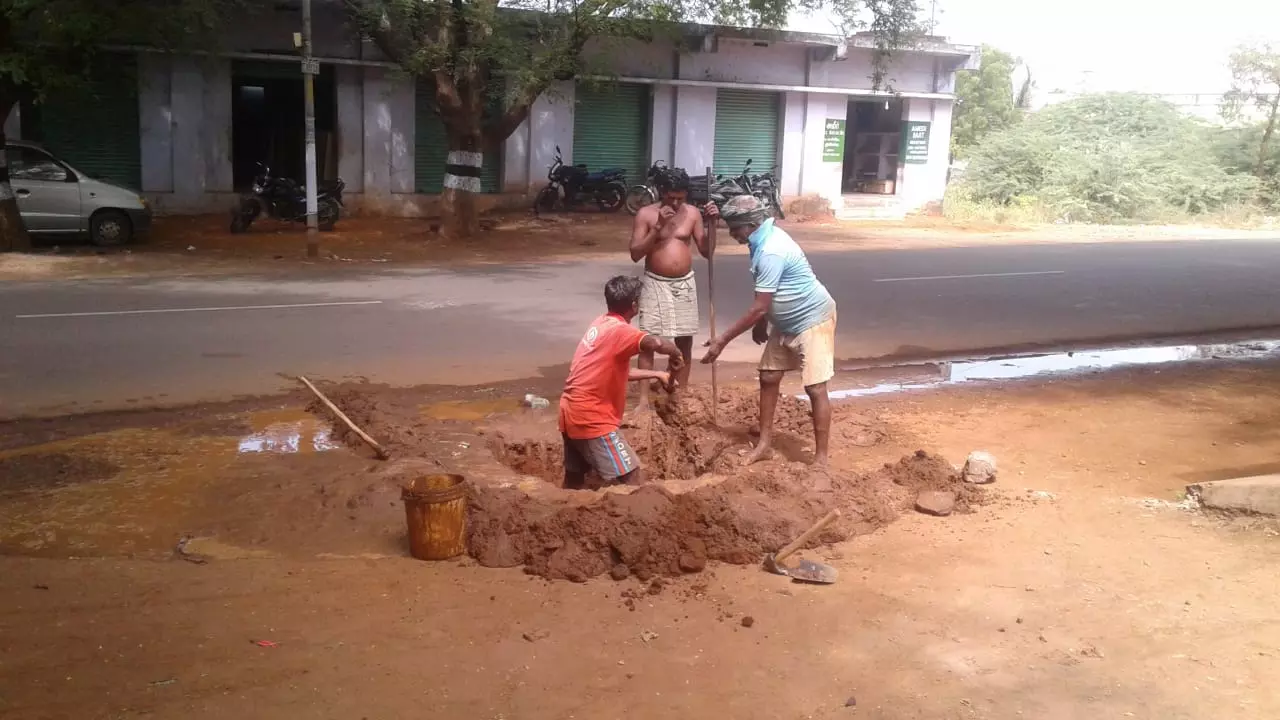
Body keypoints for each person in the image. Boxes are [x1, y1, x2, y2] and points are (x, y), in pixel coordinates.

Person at [699, 195, 837, 468]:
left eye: (735, 228)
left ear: (750, 224)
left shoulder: (772, 249)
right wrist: (764, 322)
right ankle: (764, 444)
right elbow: (765, 290)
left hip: (813, 319)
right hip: (785, 322)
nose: (733, 234)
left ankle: (821, 459)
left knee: (815, 387)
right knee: (769, 376)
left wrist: (722, 341)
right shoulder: (760, 240)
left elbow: (759, 306)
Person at [559, 275, 686, 489]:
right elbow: (653, 342)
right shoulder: (622, 331)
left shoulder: (601, 323)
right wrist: (675, 352)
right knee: (634, 480)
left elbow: (616, 372)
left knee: (575, 481)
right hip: (592, 419)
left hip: (569, 411)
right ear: (634, 306)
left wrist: (658, 375)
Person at [628, 168, 713, 413]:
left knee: (684, 340)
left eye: (680, 198)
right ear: (661, 192)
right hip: (655, 281)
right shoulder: (646, 214)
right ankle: (643, 400)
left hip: (684, 283)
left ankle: (679, 390)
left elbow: (707, 252)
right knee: (648, 342)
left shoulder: (693, 214)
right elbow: (635, 254)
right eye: (670, 197)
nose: (675, 203)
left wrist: (712, 225)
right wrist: (658, 228)